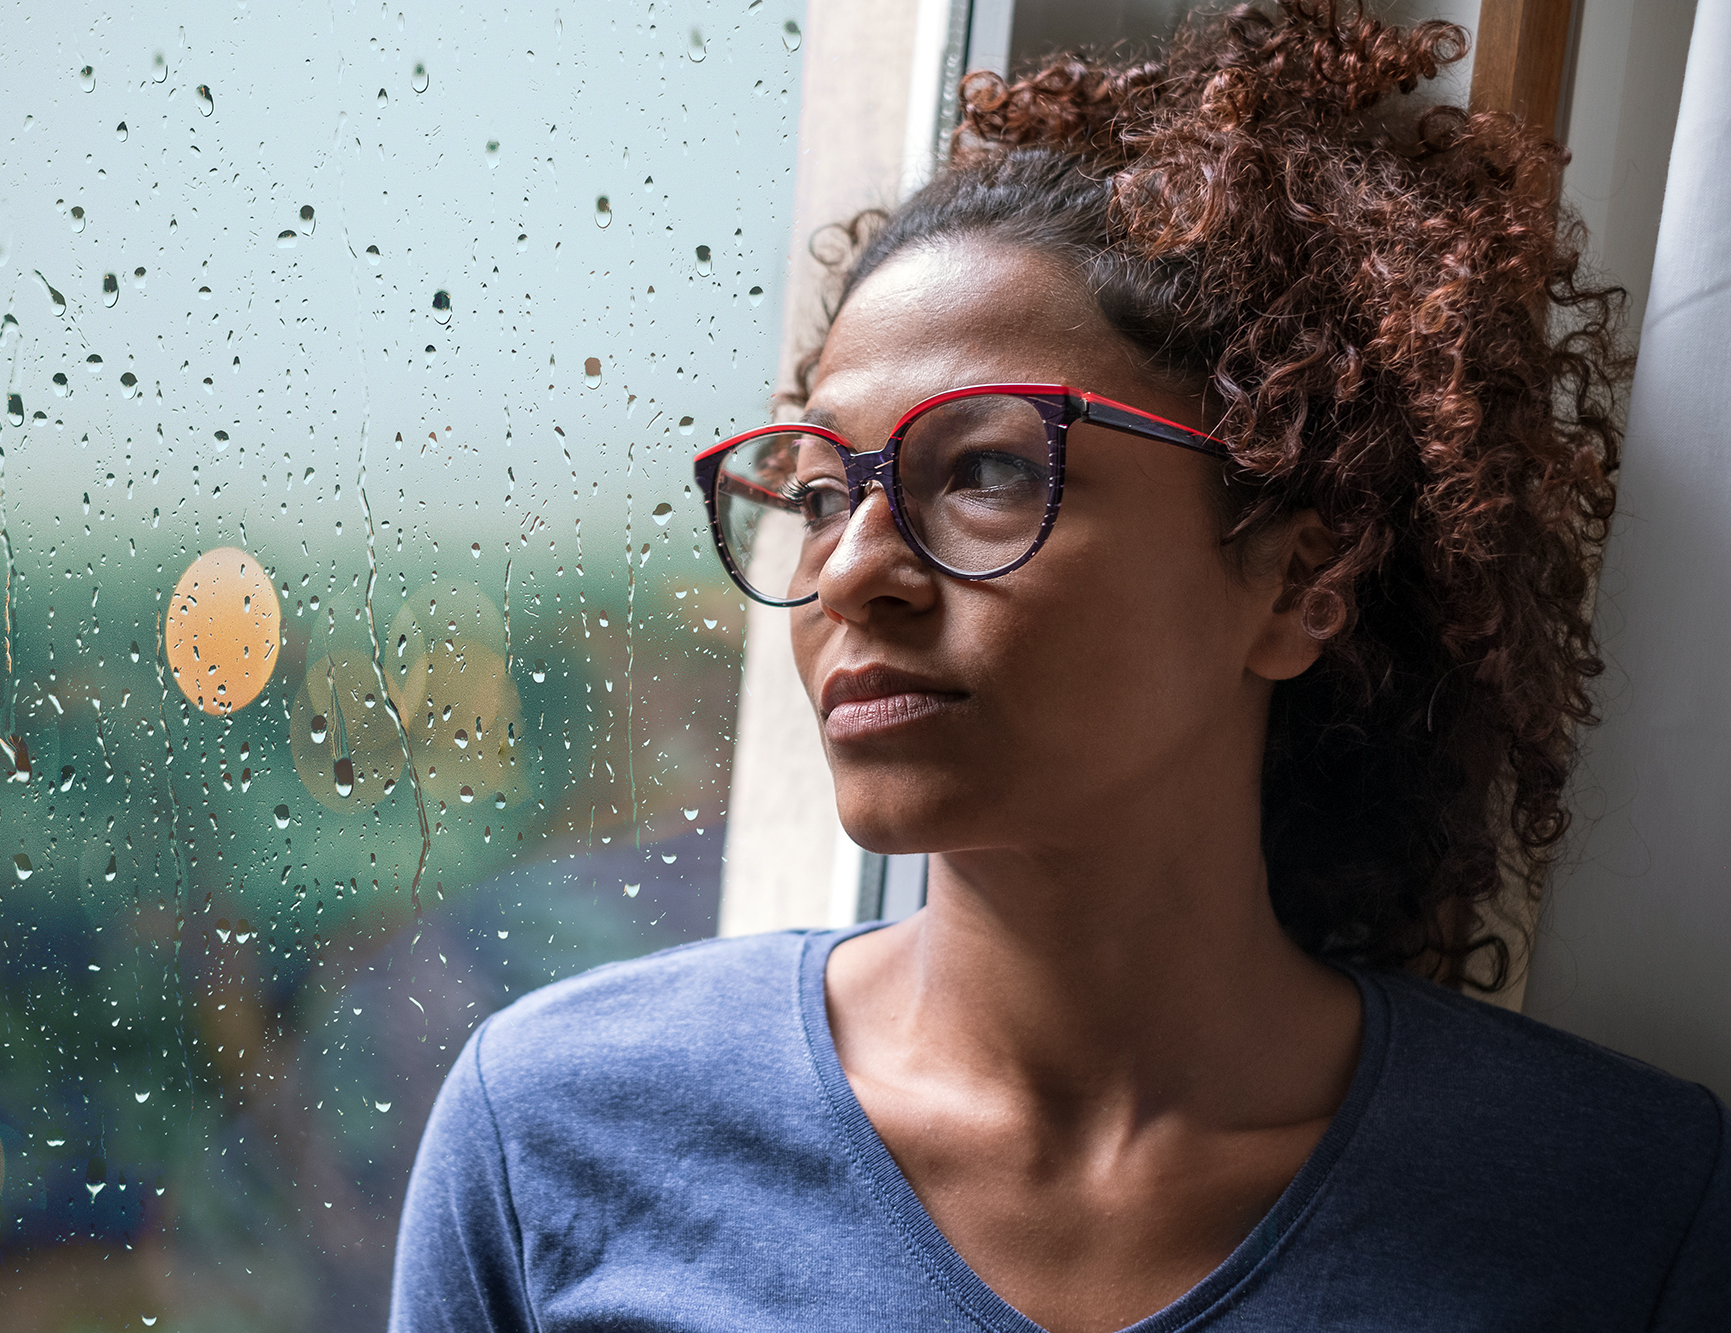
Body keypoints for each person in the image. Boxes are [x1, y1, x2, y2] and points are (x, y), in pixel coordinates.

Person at [390, 4, 1730, 1328]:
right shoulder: (555, 1133)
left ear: (1299, 579)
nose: (851, 567)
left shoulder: (1628, 1210)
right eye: (814, 494)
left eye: (983, 469)